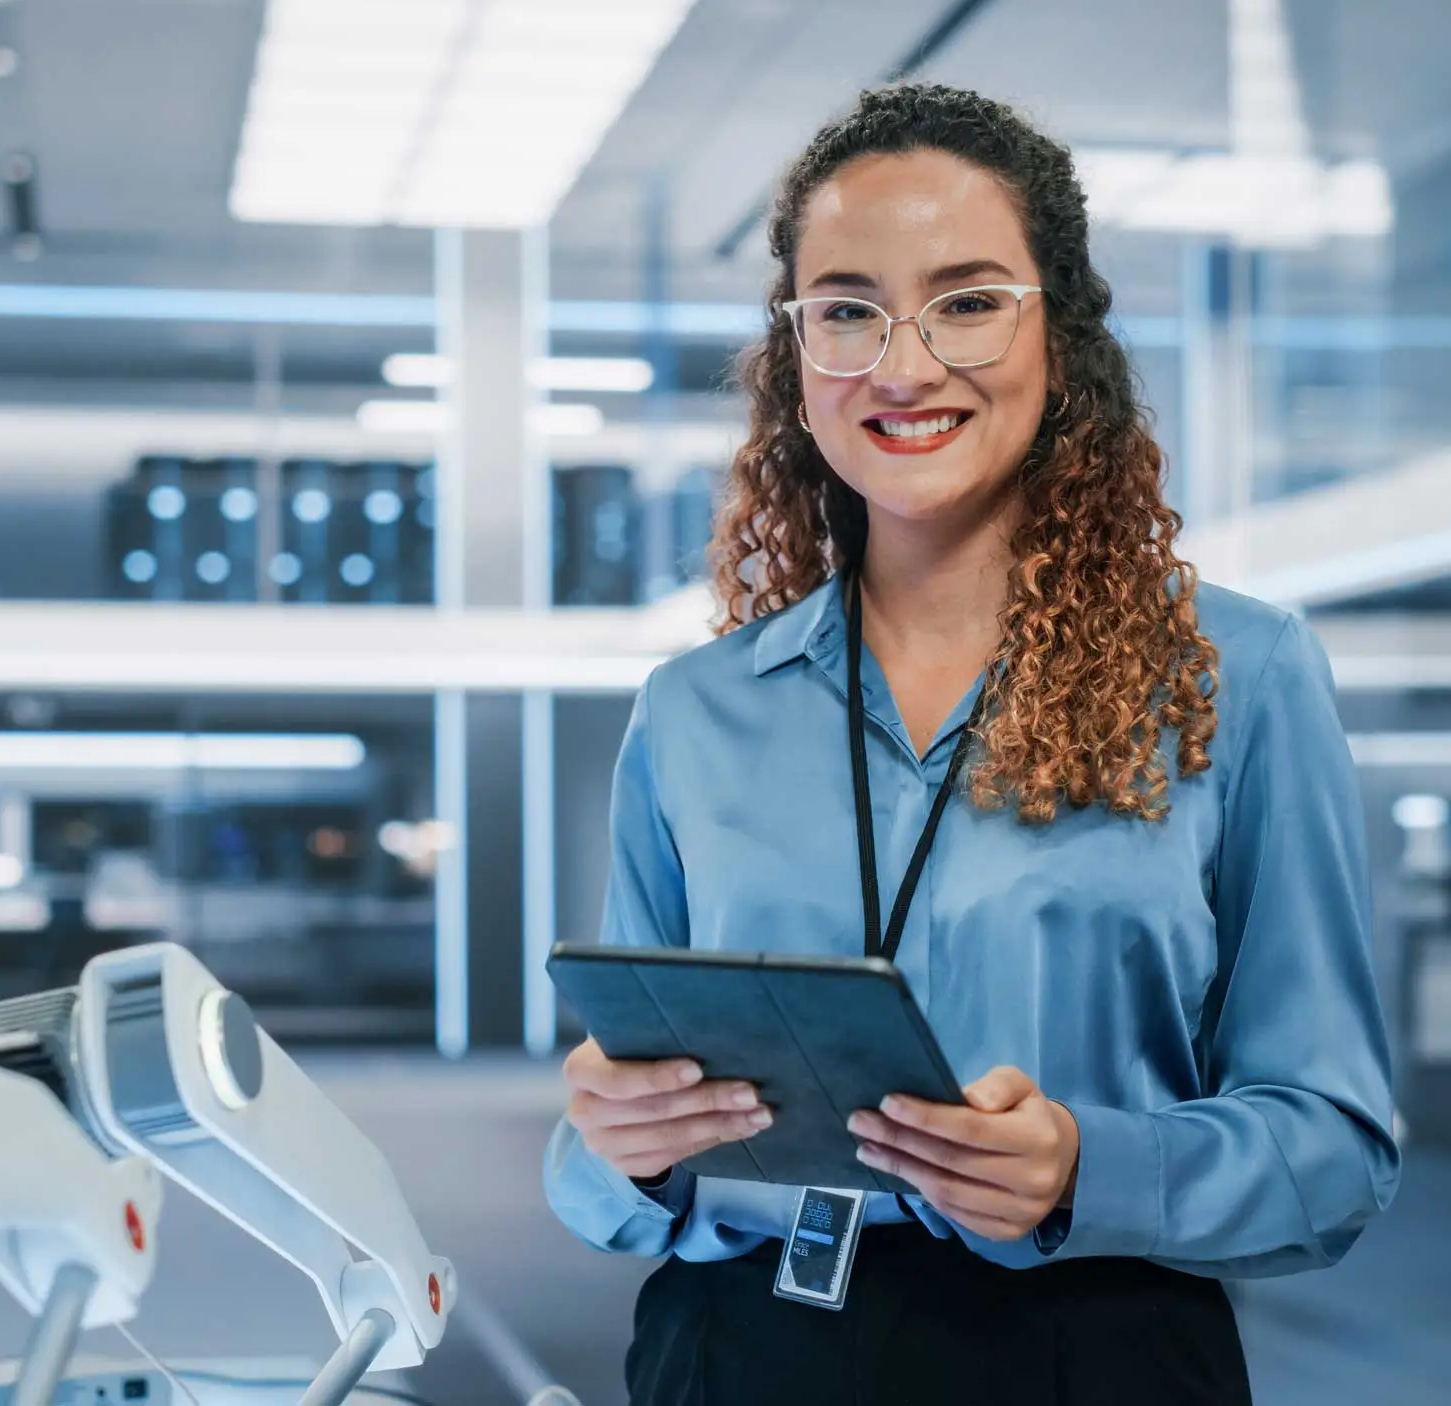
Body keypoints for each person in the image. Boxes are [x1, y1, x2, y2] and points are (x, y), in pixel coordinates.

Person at [542, 84, 1398, 1404]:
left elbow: (1334, 1141)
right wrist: (621, 1145)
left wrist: (1085, 1165)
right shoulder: (696, 711)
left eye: (967, 299)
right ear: (797, 354)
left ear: (1063, 334)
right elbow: (604, 1151)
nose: (902, 362)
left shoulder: (1238, 677)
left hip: (1084, 1350)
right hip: (739, 1348)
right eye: (847, 309)